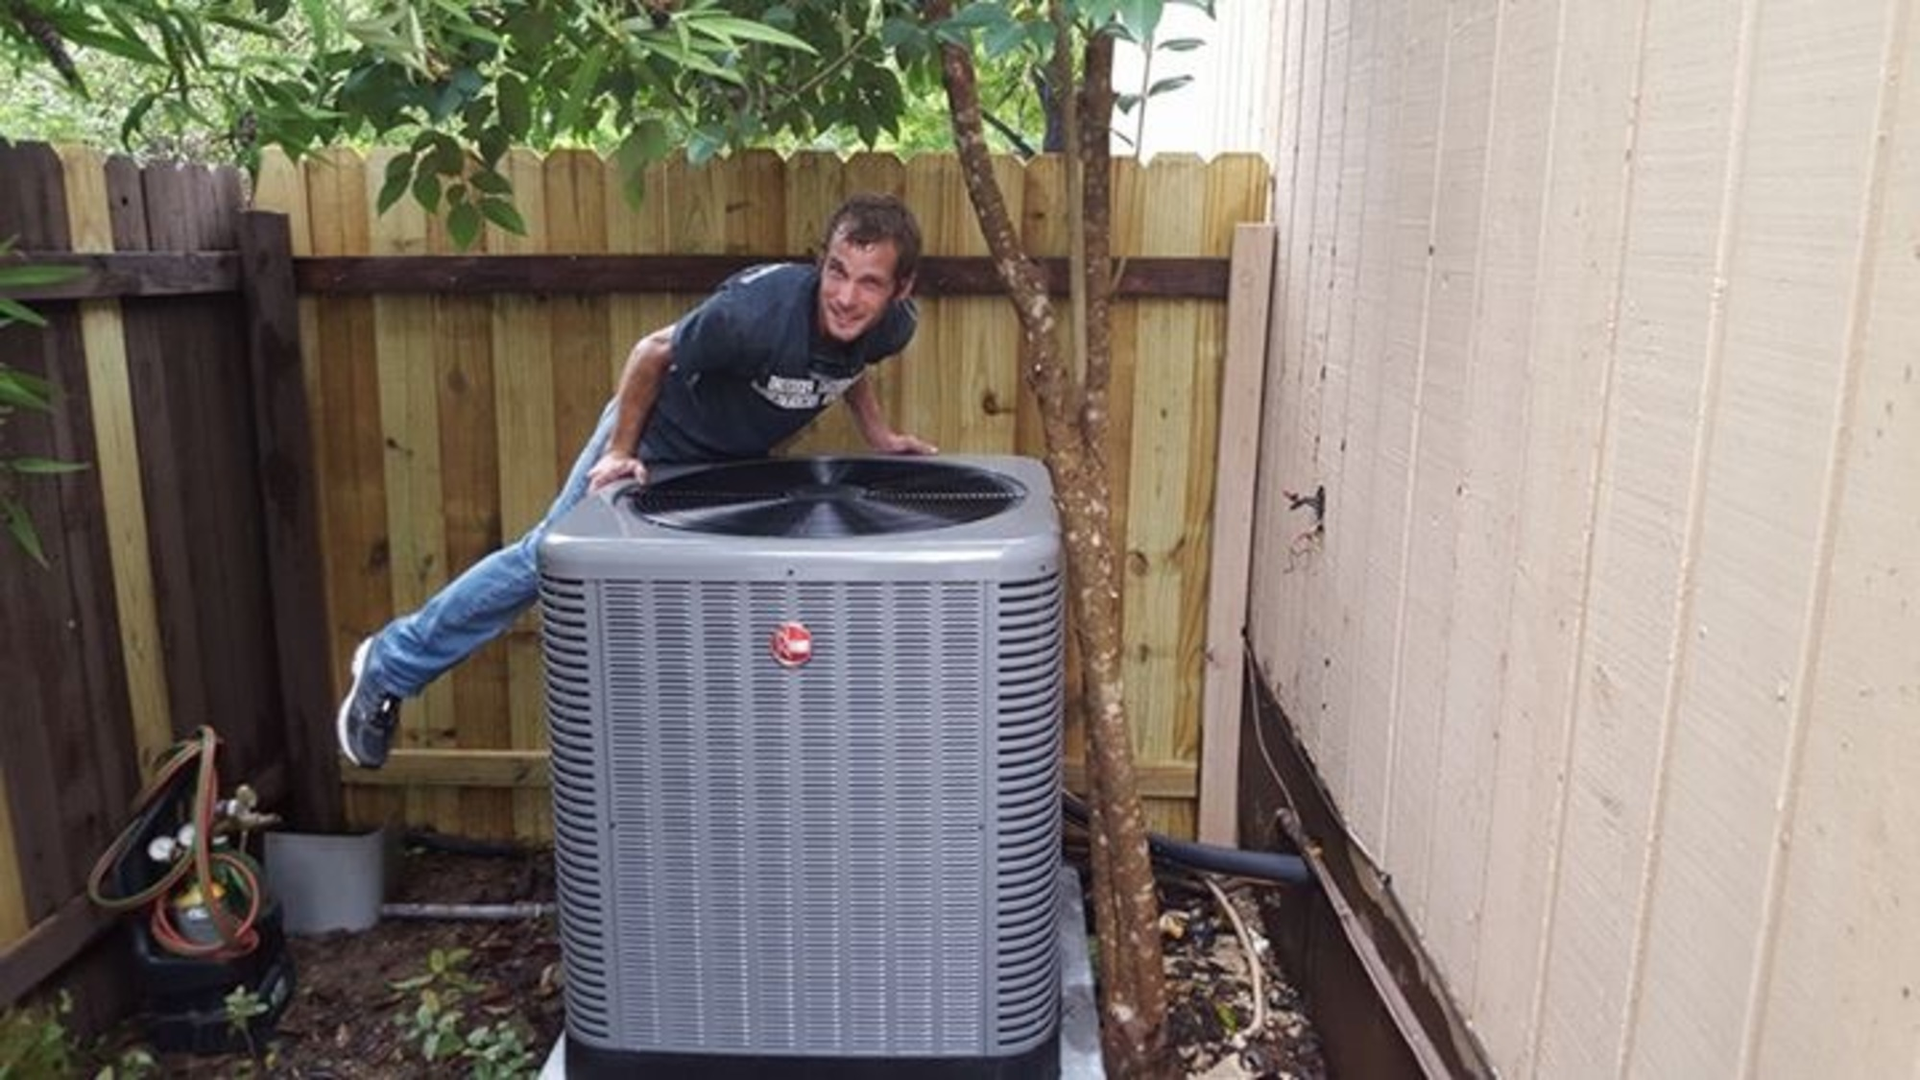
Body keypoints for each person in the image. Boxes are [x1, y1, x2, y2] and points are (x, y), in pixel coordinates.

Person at [337, 193, 936, 768]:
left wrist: (879, 436)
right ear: (821, 262)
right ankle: (392, 663)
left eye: (869, 282)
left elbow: (848, 365)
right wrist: (621, 451)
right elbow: (651, 353)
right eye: (836, 271)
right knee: (547, 557)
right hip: (652, 436)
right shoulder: (755, 313)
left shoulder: (891, 328)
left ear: (900, 289)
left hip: (729, 462)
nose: (846, 296)